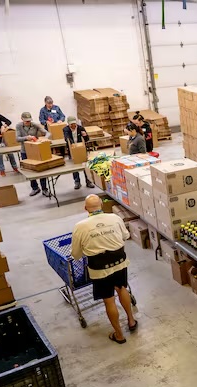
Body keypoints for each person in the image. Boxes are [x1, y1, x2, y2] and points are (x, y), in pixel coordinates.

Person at [71, 194, 137, 344]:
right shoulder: (115, 218)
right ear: (101, 205)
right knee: (122, 288)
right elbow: (126, 236)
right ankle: (131, 321)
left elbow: (75, 254)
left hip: (99, 267)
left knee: (109, 300)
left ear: (85, 208)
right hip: (119, 261)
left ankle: (119, 335)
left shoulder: (80, 227)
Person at [16, 112, 51, 196]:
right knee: (29, 170)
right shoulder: (19, 126)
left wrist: (44, 139)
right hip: (25, 150)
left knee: (41, 169)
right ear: (22, 120)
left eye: (29, 121)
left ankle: (44, 189)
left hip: (36, 150)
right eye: (26, 121)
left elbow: (48, 133)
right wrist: (26, 138)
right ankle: (35, 188)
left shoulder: (35, 125)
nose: (28, 122)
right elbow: (17, 138)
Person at [63, 116, 95, 189]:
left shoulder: (81, 128)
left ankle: (88, 181)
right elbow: (66, 138)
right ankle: (77, 182)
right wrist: (74, 145)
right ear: (68, 124)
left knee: (85, 165)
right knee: (74, 167)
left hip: (82, 150)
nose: (73, 126)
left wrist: (85, 135)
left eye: (74, 124)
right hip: (72, 150)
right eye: (71, 124)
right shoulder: (66, 129)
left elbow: (87, 139)